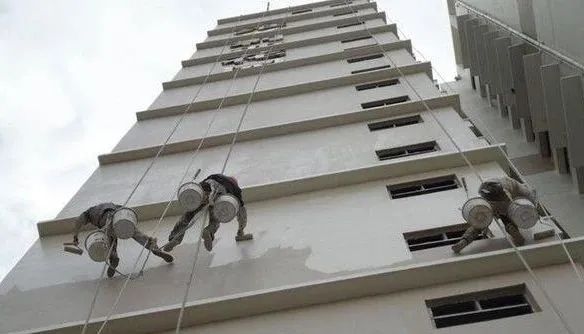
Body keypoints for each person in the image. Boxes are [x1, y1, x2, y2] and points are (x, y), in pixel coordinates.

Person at [71, 202, 173, 277]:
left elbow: (78, 222)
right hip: (119, 219)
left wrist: (75, 236)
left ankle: (113, 258)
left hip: (105, 222)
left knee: (110, 243)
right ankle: (154, 248)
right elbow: (127, 213)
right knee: (135, 233)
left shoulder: (88, 213)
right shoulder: (112, 205)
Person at [165, 174, 253, 252]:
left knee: (187, 216)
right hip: (220, 197)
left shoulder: (215, 176)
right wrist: (241, 230)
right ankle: (208, 232)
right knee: (215, 219)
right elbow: (242, 212)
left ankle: (175, 238)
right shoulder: (235, 189)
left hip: (204, 191)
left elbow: (198, 187)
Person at [452, 176, 538, 254]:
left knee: (482, 220)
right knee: (502, 216)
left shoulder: (512, 185)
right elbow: (525, 207)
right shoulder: (523, 191)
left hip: (494, 194)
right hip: (501, 197)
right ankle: (514, 232)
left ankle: (464, 241)